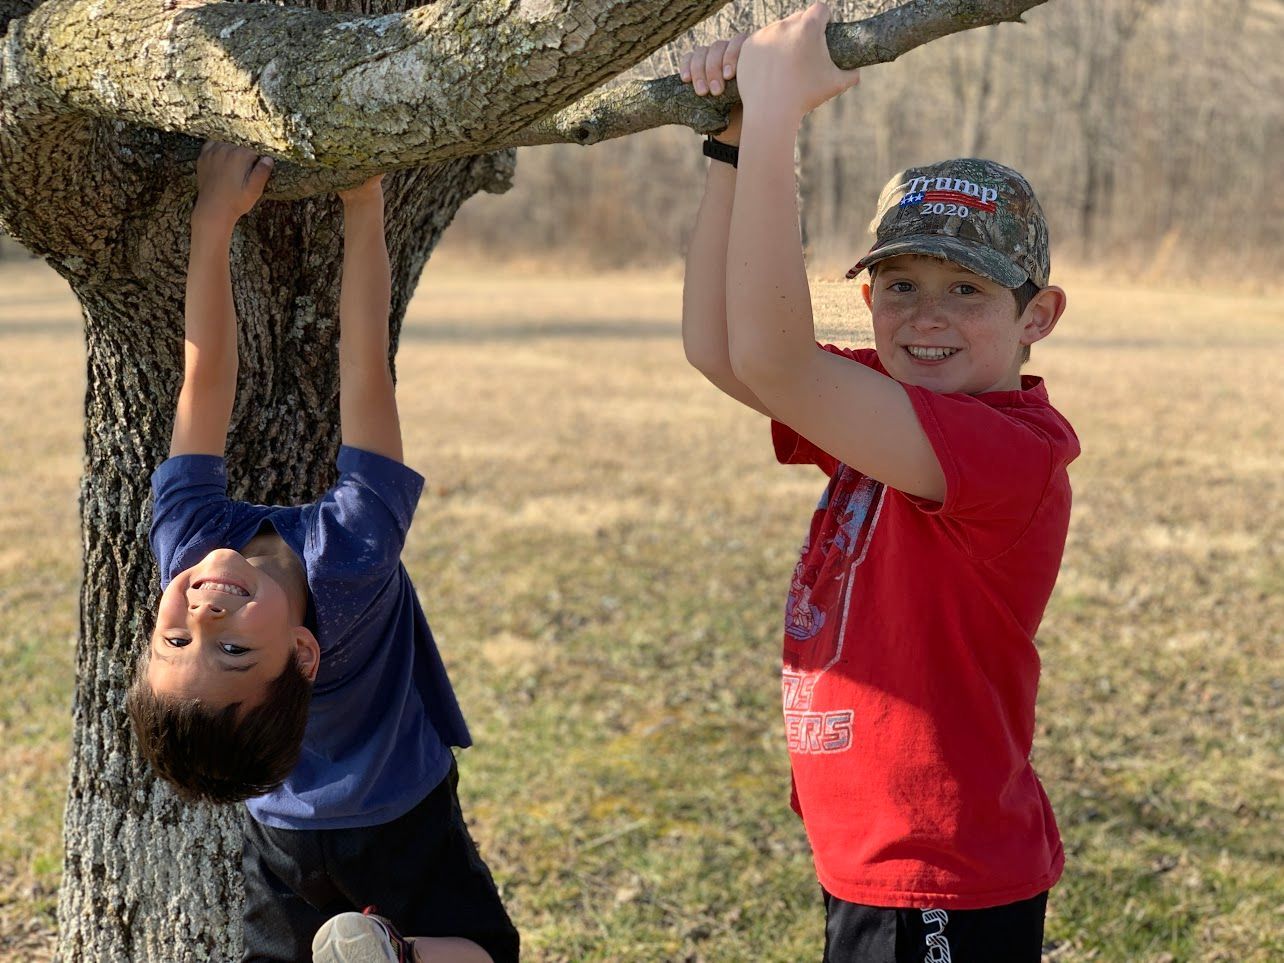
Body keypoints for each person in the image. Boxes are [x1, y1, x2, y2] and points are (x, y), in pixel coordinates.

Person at [679, 5, 1076, 960]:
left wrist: (781, 115)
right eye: (900, 284)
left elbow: (773, 360)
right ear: (867, 297)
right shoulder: (891, 404)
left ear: (1039, 316)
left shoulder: (1008, 452)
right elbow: (722, 348)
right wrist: (734, 143)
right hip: (870, 856)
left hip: (942, 874)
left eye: (967, 289)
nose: (926, 317)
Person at [125, 142, 518, 963]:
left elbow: (204, 381)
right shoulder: (352, 555)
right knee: (482, 951)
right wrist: (364, 204)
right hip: (399, 813)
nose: (200, 609)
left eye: (175, 638)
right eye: (229, 647)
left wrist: (213, 220)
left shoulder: (187, 549)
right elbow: (364, 368)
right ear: (304, 652)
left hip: (282, 836)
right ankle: (393, 953)